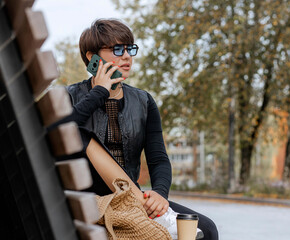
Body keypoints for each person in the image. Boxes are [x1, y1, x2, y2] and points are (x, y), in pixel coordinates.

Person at [56, 18, 218, 240]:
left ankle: (147, 207)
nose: (126, 56)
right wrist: (100, 92)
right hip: (90, 199)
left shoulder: (143, 101)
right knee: (75, 130)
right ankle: (141, 205)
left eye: (130, 49)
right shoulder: (70, 97)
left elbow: (158, 159)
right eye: (117, 49)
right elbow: (57, 137)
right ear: (91, 57)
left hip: (135, 198)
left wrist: (160, 195)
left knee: (207, 229)